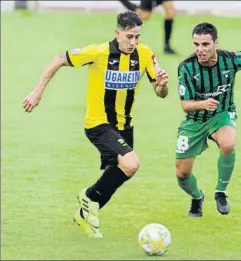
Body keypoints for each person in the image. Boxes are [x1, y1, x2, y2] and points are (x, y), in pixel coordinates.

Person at [23, 11, 168, 237]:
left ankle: (84, 214)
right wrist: (38, 91)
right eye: (129, 37)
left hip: (125, 126)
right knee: (131, 163)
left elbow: (161, 94)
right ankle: (89, 197)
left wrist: (161, 85)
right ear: (117, 33)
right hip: (98, 124)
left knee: (121, 172)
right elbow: (59, 58)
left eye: (137, 37)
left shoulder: (145, 54)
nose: (134, 42)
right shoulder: (99, 52)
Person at [176, 22, 241, 217]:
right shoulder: (186, 67)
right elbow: (185, 105)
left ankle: (221, 192)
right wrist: (202, 104)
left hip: (222, 114)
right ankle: (197, 197)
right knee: (182, 175)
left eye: (205, 44)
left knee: (228, 144)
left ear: (215, 43)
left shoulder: (231, 60)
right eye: (196, 44)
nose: (200, 50)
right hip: (194, 120)